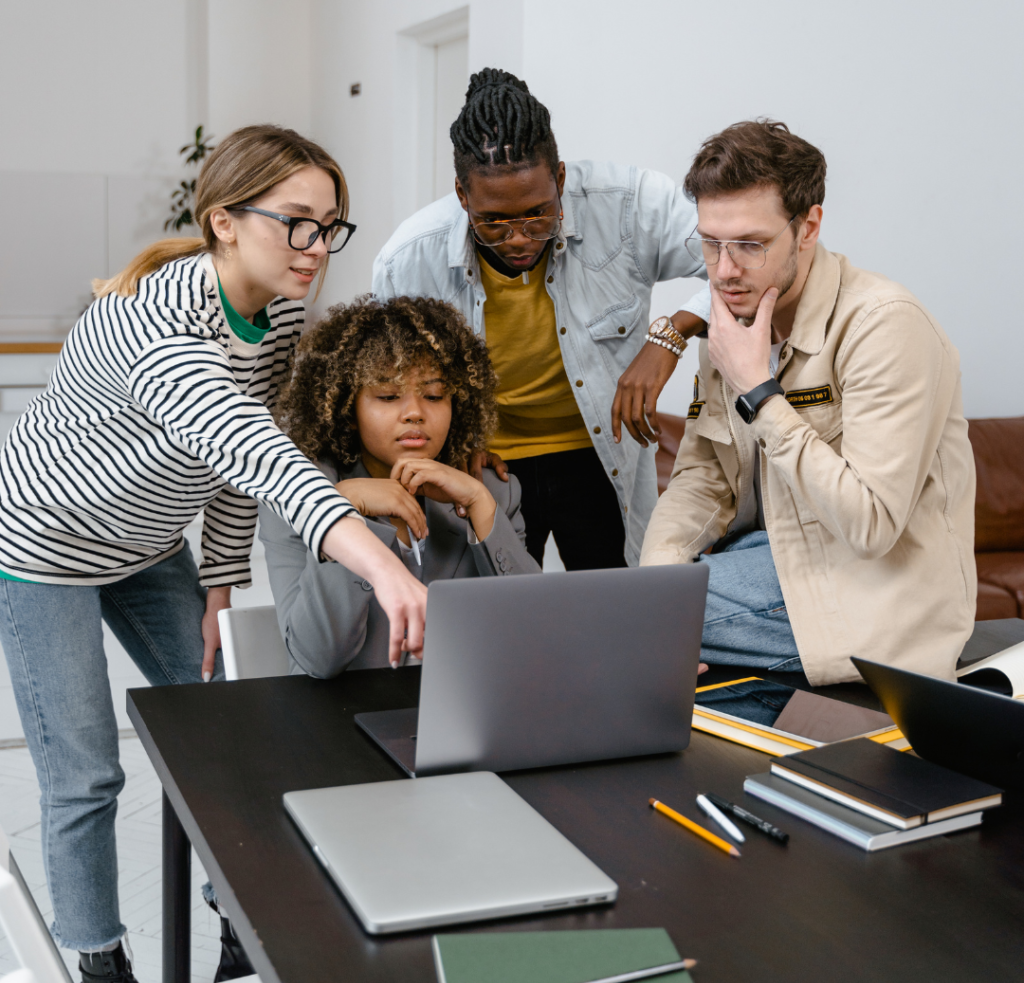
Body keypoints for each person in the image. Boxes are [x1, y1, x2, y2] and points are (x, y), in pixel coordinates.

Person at [0, 126, 427, 983]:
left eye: (331, 226)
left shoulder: (275, 314)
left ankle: (238, 924)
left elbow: (232, 471)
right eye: (297, 224)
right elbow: (256, 451)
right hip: (44, 549)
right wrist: (383, 569)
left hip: (151, 546)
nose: (317, 249)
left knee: (233, 731)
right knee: (85, 772)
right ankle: (101, 969)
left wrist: (221, 579)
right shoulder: (158, 325)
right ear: (224, 221)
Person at [641, 119, 976, 685]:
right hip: (770, 560)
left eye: (750, 244)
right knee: (628, 612)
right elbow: (702, 479)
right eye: (711, 243)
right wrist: (655, 589)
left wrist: (759, 390)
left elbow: (870, 526)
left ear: (808, 227)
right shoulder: (733, 319)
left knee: (607, 630)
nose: (723, 271)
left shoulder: (885, 325)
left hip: (873, 592)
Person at [372, 68, 711, 569]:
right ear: (463, 197)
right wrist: (452, 444)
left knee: (614, 609)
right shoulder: (408, 259)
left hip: (601, 454)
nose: (518, 238)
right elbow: (392, 383)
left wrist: (671, 334)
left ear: (560, 179)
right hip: (491, 464)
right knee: (503, 618)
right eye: (493, 221)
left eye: (538, 213)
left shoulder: (630, 204)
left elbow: (743, 260)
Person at [261, 295, 541, 677]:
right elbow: (318, 659)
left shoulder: (492, 488)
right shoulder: (300, 493)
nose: (414, 412)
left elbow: (534, 635)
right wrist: (347, 509)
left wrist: (479, 504)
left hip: (463, 717)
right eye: (389, 396)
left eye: (434, 395)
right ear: (347, 405)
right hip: (342, 721)